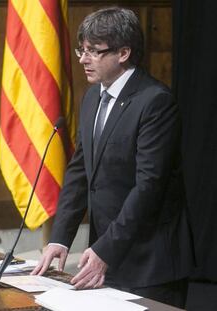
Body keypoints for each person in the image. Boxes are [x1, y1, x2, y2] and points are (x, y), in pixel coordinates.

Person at [32, 7, 193, 308]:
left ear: (123, 53)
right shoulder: (93, 96)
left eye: (93, 51)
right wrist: (60, 237)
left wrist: (106, 249)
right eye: (82, 49)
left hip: (150, 263)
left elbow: (149, 187)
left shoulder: (155, 102)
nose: (82, 58)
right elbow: (80, 172)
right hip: (106, 259)